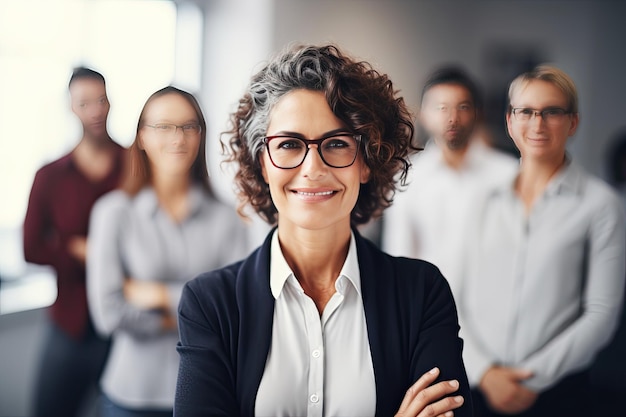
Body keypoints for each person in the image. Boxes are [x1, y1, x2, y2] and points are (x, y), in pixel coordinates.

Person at [174, 44, 473, 417]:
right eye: (288, 144)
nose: (313, 168)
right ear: (263, 164)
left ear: (367, 161)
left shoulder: (422, 294)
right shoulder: (210, 304)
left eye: (335, 143)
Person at [458, 65, 626, 417]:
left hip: (557, 395)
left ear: (573, 123)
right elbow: (454, 295)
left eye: (552, 112)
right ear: (509, 121)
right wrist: (485, 373)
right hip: (477, 387)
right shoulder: (481, 199)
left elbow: (601, 315)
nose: (538, 124)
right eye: (526, 111)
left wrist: (530, 379)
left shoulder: (602, 206)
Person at [87, 86, 250, 417]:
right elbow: (107, 315)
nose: (178, 138)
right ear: (142, 137)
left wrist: (159, 294)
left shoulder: (227, 219)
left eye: (189, 126)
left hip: (207, 396)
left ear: (201, 135)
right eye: (164, 127)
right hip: (130, 396)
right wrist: (195, 314)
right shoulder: (113, 213)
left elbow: (236, 312)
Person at [23, 66, 125, 417]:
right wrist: (79, 251)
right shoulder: (50, 176)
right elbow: (31, 248)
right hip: (70, 324)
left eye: (101, 100)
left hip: (123, 327)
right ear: (71, 107)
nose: (95, 110)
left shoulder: (135, 168)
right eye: (85, 103)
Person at [381, 66, 517, 297]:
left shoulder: (509, 175)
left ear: (477, 112)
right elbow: (399, 258)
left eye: (462, 107)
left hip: (493, 306)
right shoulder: (408, 177)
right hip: (428, 309)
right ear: (423, 114)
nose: (452, 118)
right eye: (441, 108)